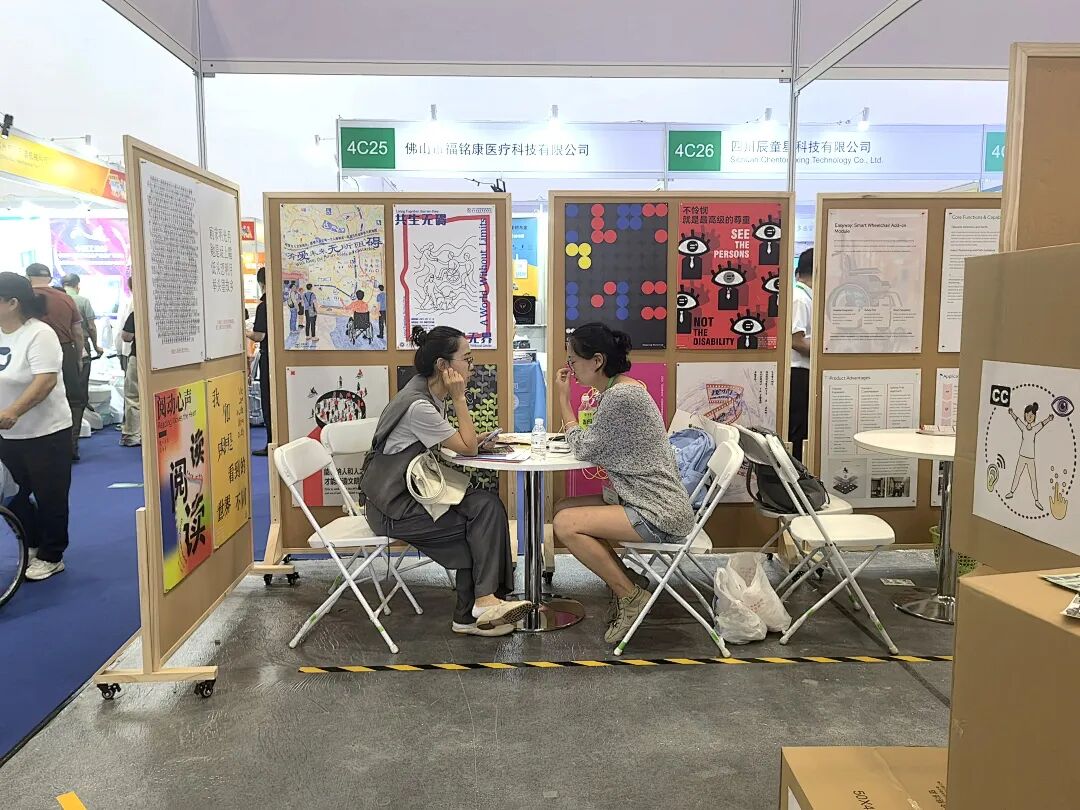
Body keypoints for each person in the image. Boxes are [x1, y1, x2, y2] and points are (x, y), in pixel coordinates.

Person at [361, 325, 532, 637]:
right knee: (476, 527)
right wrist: (460, 397)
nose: (472, 366)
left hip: (412, 494)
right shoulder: (420, 405)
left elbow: (456, 443)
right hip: (393, 509)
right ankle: (475, 610)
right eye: (467, 359)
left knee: (486, 504)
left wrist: (472, 439)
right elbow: (466, 448)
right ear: (443, 365)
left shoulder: (424, 391)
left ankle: (482, 604)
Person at [552, 322, 695, 644]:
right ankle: (627, 580)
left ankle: (630, 595)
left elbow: (584, 447)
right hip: (643, 499)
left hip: (658, 511)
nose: (570, 368)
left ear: (597, 361)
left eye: (573, 360)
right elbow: (593, 443)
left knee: (565, 524)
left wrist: (563, 400)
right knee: (563, 507)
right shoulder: (619, 391)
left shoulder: (621, 397)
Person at [0, 273, 74, 580]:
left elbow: (45, 382)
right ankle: (31, 542)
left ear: (12, 303)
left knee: (50, 496)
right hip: (7, 435)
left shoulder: (39, 334)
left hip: (46, 432)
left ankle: (52, 555)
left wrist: (13, 412)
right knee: (12, 494)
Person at [25, 263, 83, 460]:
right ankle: (71, 445)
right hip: (64, 349)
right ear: (50, 278)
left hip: (30, 352)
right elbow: (78, 332)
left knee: (35, 396)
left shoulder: (22, 299)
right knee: (73, 399)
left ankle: (39, 447)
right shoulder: (65, 298)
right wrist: (78, 357)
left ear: (28, 277)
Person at [62, 273, 103, 456]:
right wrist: (96, 346)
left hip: (58, 348)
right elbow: (90, 327)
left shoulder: (53, 300)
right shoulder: (82, 300)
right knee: (78, 394)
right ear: (77, 285)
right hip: (80, 347)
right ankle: (73, 443)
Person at [788, 247, 813, 462]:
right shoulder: (800, 299)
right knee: (797, 430)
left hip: (803, 372)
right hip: (798, 372)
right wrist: (826, 355)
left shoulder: (805, 297)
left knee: (801, 428)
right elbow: (795, 341)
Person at [1006, 402, 1054, 509]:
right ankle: (1011, 492)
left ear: (1034, 417)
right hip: (1022, 456)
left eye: (1032, 415)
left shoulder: (1034, 429)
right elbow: (1017, 420)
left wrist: (1049, 419)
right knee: (1017, 475)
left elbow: (1042, 424)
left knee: (1033, 479)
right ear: (1025, 415)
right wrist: (1011, 413)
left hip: (1031, 458)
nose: (1030, 417)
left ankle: (1036, 500)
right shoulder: (1023, 428)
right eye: (1028, 415)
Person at [247, 268, 271, 456]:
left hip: (268, 358)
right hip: (275, 357)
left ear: (260, 283)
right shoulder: (279, 303)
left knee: (268, 400)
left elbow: (259, 335)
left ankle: (271, 442)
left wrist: (245, 331)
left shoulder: (264, 306)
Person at [119, 279, 140, 447]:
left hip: (138, 357)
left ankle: (133, 435)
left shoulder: (138, 310)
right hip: (166, 361)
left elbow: (126, 336)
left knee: (133, 397)